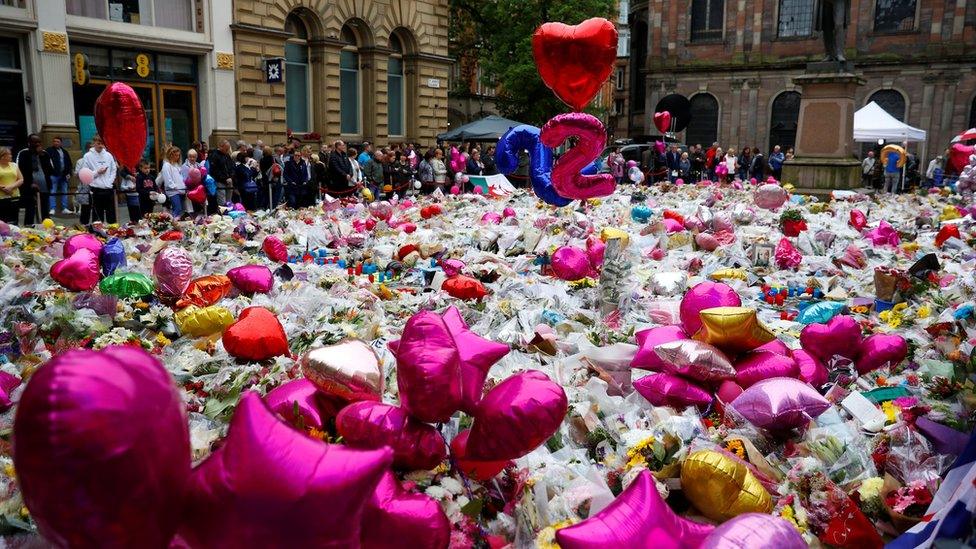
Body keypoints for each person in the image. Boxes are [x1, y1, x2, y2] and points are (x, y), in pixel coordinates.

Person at [16, 134, 54, 225]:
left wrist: (41, 155)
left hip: (44, 186)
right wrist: (29, 183)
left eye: (39, 142)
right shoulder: (23, 153)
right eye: (35, 142)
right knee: (30, 210)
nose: (38, 144)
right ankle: (29, 228)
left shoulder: (45, 154)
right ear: (29, 143)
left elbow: (51, 170)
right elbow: (20, 170)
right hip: (29, 187)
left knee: (45, 210)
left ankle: (46, 229)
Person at [80, 135, 115, 224]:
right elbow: (85, 173)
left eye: (102, 144)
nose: (100, 146)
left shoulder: (108, 155)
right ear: (94, 143)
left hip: (108, 188)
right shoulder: (87, 156)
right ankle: (98, 234)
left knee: (111, 214)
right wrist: (97, 172)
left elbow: (113, 170)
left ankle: (113, 232)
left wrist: (110, 182)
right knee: (97, 215)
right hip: (95, 189)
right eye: (98, 143)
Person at [46, 136, 72, 215]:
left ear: (61, 143)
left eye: (57, 141)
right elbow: (46, 163)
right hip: (54, 175)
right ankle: (52, 208)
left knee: (64, 191)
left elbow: (69, 163)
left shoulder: (64, 151)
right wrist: (50, 172)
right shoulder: (49, 151)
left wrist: (69, 173)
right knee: (52, 191)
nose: (56, 143)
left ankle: (64, 208)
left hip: (64, 175)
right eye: (54, 141)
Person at [208, 140, 235, 212]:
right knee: (222, 200)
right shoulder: (214, 156)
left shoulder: (227, 155)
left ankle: (229, 213)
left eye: (228, 148)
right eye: (226, 149)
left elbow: (232, 166)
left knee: (229, 200)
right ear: (221, 147)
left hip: (229, 181)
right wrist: (225, 178)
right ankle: (222, 214)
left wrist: (231, 176)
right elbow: (214, 171)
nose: (228, 150)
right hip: (220, 181)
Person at [159, 145, 186, 217]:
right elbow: (168, 180)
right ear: (171, 155)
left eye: (178, 155)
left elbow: (180, 177)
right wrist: (175, 187)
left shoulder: (177, 165)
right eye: (175, 155)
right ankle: (173, 225)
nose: (177, 157)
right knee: (177, 210)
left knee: (181, 211)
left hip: (181, 190)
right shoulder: (166, 165)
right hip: (173, 191)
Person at [0, 147, 23, 224]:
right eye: (9, 154)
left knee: (13, 220)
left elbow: (21, 179)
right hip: (1, 197)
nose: (11, 156)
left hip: (14, 196)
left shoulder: (14, 165)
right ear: (3, 156)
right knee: (2, 220)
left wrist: (11, 187)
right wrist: (4, 188)